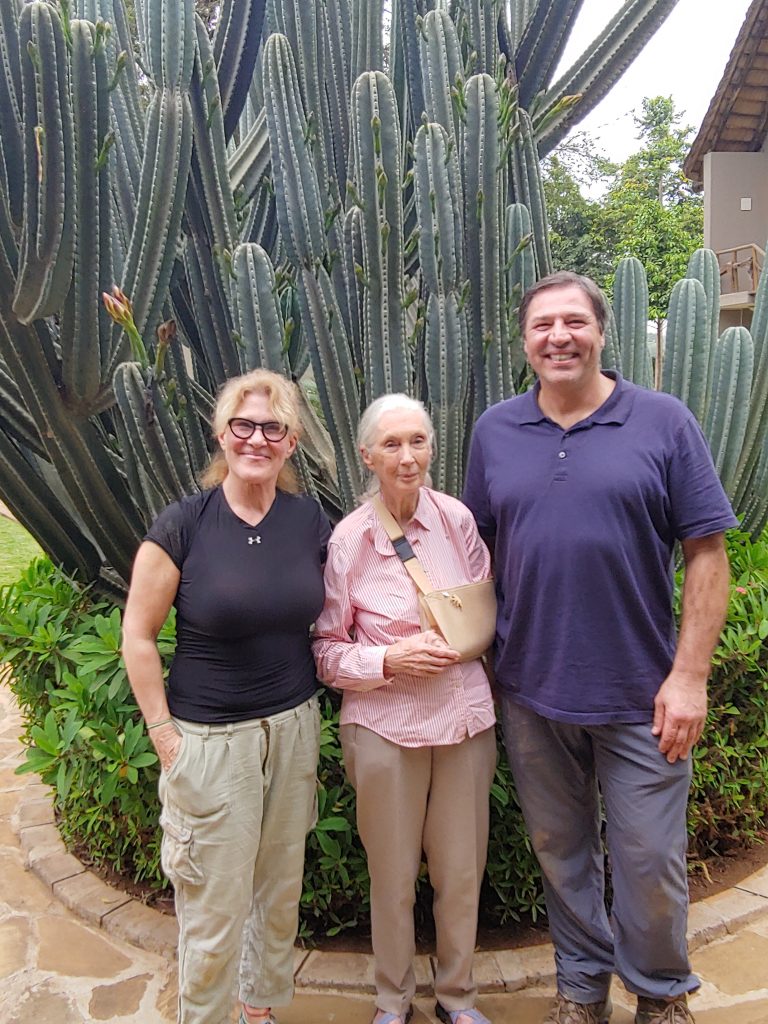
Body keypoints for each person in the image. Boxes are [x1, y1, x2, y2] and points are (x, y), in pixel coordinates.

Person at [462, 271, 737, 1024]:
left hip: (642, 693)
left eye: (574, 322)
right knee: (562, 851)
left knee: (649, 861)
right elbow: (482, 552)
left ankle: (657, 991)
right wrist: (479, 663)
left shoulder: (663, 422)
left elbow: (708, 557)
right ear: (525, 342)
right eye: (542, 324)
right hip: (531, 690)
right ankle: (582, 989)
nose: (558, 336)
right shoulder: (494, 431)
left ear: (601, 331)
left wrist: (690, 677)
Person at [122, 368, 331, 1024]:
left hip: (292, 730)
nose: (258, 438)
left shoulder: (308, 522)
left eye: (273, 427)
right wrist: (164, 735)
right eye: (245, 425)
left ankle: (260, 1010)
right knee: (212, 912)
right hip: (212, 742)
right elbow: (137, 635)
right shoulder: (185, 523)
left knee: (277, 896)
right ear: (222, 433)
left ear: (291, 441)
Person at [313, 394, 497, 1024]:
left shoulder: (457, 522)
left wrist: (454, 642)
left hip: (464, 719)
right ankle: (394, 1001)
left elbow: (482, 612)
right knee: (392, 879)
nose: (407, 455)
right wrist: (388, 662)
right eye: (391, 444)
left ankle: (458, 998)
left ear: (432, 448)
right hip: (385, 727)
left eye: (417, 441)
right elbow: (326, 650)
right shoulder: (350, 540)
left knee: (461, 871)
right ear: (367, 456)